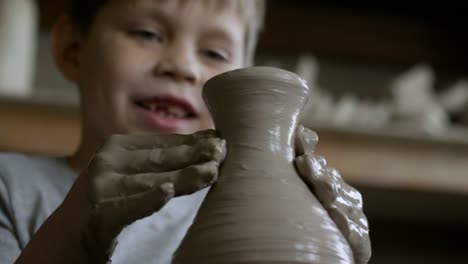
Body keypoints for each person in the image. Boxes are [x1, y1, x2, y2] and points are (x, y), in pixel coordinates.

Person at [0, 0, 370, 263]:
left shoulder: (276, 218)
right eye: (147, 34)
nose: (183, 66)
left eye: (214, 54)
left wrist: (333, 247)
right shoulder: (9, 186)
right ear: (73, 49)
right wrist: (71, 237)